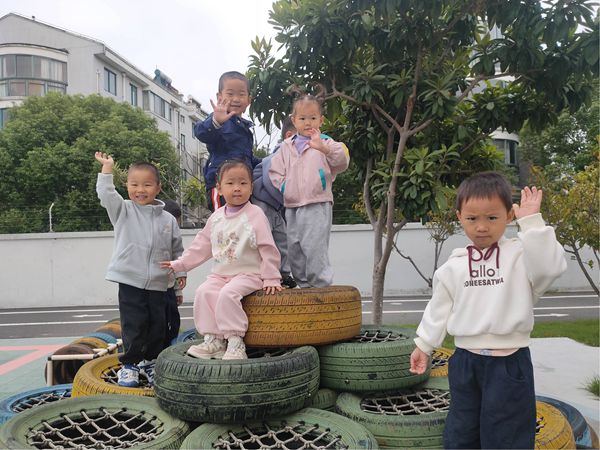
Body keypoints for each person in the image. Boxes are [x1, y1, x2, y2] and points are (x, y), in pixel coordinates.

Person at [409, 172, 567, 449]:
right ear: (459, 217)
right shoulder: (454, 266)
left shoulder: (521, 256)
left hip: (509, 364)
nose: (482, 227)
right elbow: (438, 308)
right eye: (472, 218)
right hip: (465, 363)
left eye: (492, 217)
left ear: (509, 216)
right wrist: (424, 345)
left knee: (508, 436)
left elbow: (549, 269)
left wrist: (532, 223)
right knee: (462, 431)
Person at [160, 160, 282, 360]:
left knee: (228, 294)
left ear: (251, 188)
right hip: (220, 275)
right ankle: (214, 341)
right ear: (219, 188)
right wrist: (180, 264)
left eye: (243, 183)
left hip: (249, 274)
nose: (237, 188)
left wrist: (271, 277)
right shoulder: (216, 217)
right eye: (230, 183)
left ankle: (235, 342)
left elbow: (267, 247)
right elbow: (201, 246)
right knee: (204, 292)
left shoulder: (255, 214)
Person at [95, 152, 186, 387]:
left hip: (158, 282)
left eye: (147, 184)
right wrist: (107, 169)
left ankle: (151, 362)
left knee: (157, 325)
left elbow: (177, 250)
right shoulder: (123, 210)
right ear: (127, 186)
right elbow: (106, 194)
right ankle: (130, 365)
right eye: (134, 184)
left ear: (158, 187)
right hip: (130, 280)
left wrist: (180, 273)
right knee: (134, 324)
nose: (140, 190)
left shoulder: (168, 220)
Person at [269, 90, 349, 288]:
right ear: (294, 120)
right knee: (295, 247)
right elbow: (275, 172)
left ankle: (320, 285)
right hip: (292, 205)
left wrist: (324, 148)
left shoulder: (326, 142)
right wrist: (286, 187)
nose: (308, 123)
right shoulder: (286, 146)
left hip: (317, 202)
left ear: (321, 120)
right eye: (302, 118)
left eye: (313, 118)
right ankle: (304, 285)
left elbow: (342, 162)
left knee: (314, 246)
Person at [194, 71, 261, 212]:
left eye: (241, 94)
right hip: (222, 185)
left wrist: (268, 162)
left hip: (241, 185)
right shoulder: (219, 119)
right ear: (219, 97)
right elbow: (201, 133)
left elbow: (247, 157)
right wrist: (216, 122)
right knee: (223, 219)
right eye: (230, 94)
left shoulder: (244, 128)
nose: (236, 99)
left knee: (241, 220)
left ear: (249, 99)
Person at [251, 116, 297, 288]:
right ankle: (262, 274)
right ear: (289, 136)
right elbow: (270, 180)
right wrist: (289, 199)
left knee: (282, 238)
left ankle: (283, 274)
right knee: (264, 240)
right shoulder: (279, 154)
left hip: (276, 206)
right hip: (262, 202)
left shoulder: (297, 158)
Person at [162, 199, 184, 347]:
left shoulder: (173, 241)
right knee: (160, 323)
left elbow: (177, 260)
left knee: (174, 321)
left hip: (170, 288)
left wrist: (177, 291)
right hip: (156, 289)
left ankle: (170, 348)